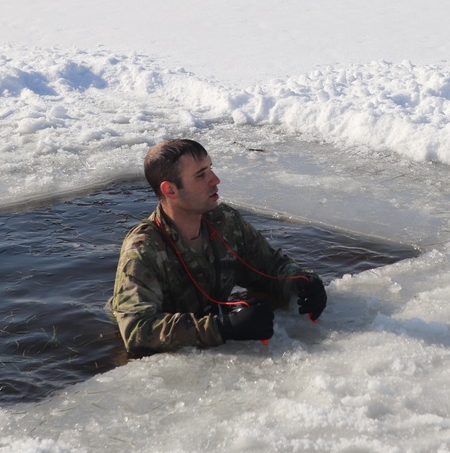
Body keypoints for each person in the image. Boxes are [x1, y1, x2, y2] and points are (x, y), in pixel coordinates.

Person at [111, 139, 327, 355]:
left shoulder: (224, 222)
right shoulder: (142, 249)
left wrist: (303, 282)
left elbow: (270, 265)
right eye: (201, 175)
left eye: (211, 169)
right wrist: (222, 328)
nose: (215, 180)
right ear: (170, 190)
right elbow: (137, 330)